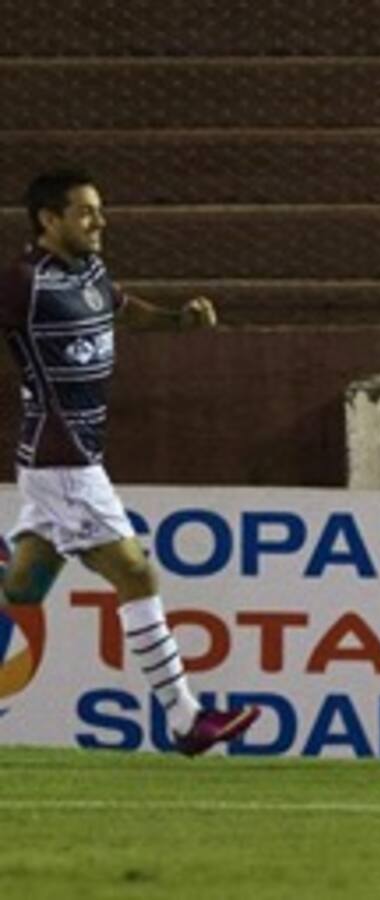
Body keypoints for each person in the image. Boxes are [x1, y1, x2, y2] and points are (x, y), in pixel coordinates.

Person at [0, 168, 260, 755]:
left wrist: (177, 321)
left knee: (21, 591)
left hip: (68, 458)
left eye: (99, 210)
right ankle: (186, 719)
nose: (100, 221)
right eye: (86, 212)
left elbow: (121, 308)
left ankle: (186, 720)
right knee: (136, 573)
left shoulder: (89, 272)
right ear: (48, 220)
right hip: (62, 457)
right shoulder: (23, 283)